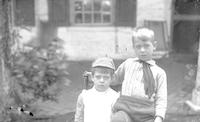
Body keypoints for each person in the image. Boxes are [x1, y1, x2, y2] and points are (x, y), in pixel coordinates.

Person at [111, 27, 167, 122]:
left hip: (146, 113)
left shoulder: (159, 73)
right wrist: (97, 76)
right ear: (133, 47)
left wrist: (159, 117)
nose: (142, 50)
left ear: (154, 45)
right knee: (117, 119)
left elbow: (161, 98)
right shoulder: (128, 64)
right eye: (138, 46)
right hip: (125, 109)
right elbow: (114, 79)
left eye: (146, 46)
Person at [74, 57, 119, 122]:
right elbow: (79, 118)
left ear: (112, 78)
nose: (102, 80)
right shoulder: (84, 96)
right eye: (98, 77)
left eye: (106, 77)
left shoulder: (115, 97)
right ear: (92, 77)